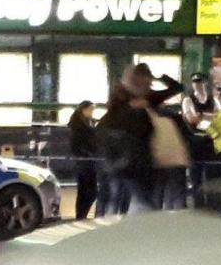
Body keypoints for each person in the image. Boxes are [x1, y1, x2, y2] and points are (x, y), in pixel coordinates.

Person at [97, 64, 183, 214]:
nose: (150, 85)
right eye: (147, 81)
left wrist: (160, 77)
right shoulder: (124, 100)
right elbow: (108, 126)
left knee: (138, 201)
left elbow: (176, 88)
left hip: (143, 162)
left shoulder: (146, 99)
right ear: (138, 80)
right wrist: (132, 108)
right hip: (129, 161)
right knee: (133, 201)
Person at [67, 101, 97, 220]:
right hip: (85, 160)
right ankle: (81, 214)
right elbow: (78, 144)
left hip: (85, 159)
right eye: (90, 110)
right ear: (83, 110)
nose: (91, 112)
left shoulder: (84, 123)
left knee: (85, 189)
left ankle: (81, 214)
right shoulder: (79, 126)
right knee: (89, 190)